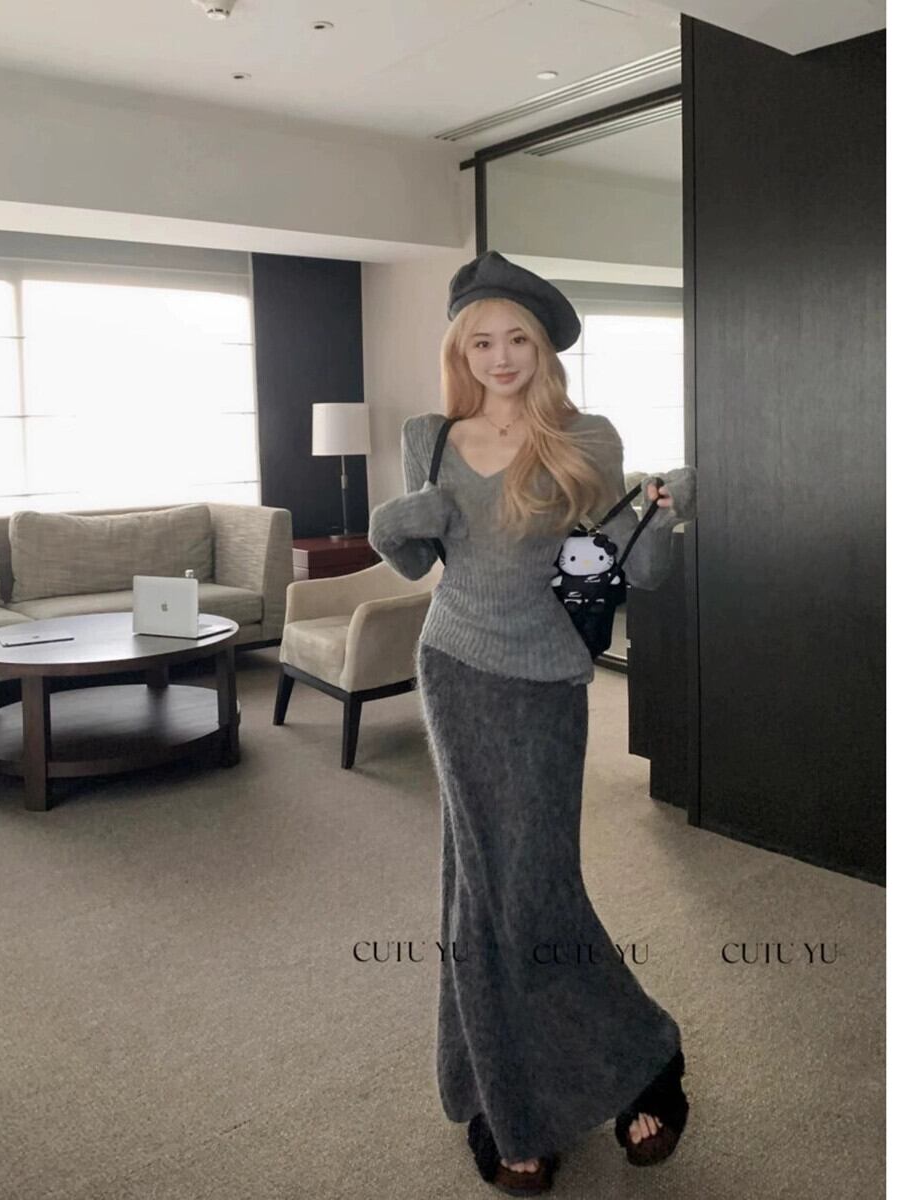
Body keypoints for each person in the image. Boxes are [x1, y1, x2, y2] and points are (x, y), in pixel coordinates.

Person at [367, 250, 697, 1194]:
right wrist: (396, 517)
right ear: (459, 351)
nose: (501, 357)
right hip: (455, 669)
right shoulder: (429, 436)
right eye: (482, 342)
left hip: (548, 679)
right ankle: (501, 1094)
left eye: (517, 339)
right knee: (478, 890)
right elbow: (411, 561)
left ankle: (643, 1053)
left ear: (544, 348)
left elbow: (634, 570)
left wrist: (666, 515)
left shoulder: (586, 437)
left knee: (535, 889)